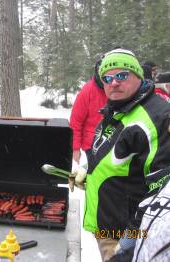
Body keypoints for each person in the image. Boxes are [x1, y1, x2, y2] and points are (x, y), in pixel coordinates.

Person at [72, 48, 170, 262]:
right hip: (108, 227)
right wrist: (89, 170)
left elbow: (161, 191)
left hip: (126, 234)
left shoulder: (158, 117)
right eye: (107, 78)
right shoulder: (117, 108)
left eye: (121, 75)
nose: (113, 82)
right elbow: (112, 156)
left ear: (138, 75)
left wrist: (129, 241)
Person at [70, 59, 108, 164]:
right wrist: (75, 148)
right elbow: (76, 121)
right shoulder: (88, 90)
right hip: (91, 144)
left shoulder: (118, 89)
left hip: (114, 142)